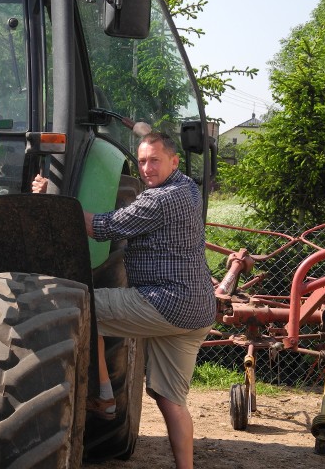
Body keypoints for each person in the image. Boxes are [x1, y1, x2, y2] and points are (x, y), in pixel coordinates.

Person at [32, 131, 216, 469]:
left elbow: (101, 227)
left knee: (80, 305)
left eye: (155, 160)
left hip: (166, 302)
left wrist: (51, 195)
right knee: (170, 399)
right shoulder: (188, 187)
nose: (146, 168)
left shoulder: (158, 200)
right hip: (197, 311)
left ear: (173, 161)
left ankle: (104, 397)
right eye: (142, 160)